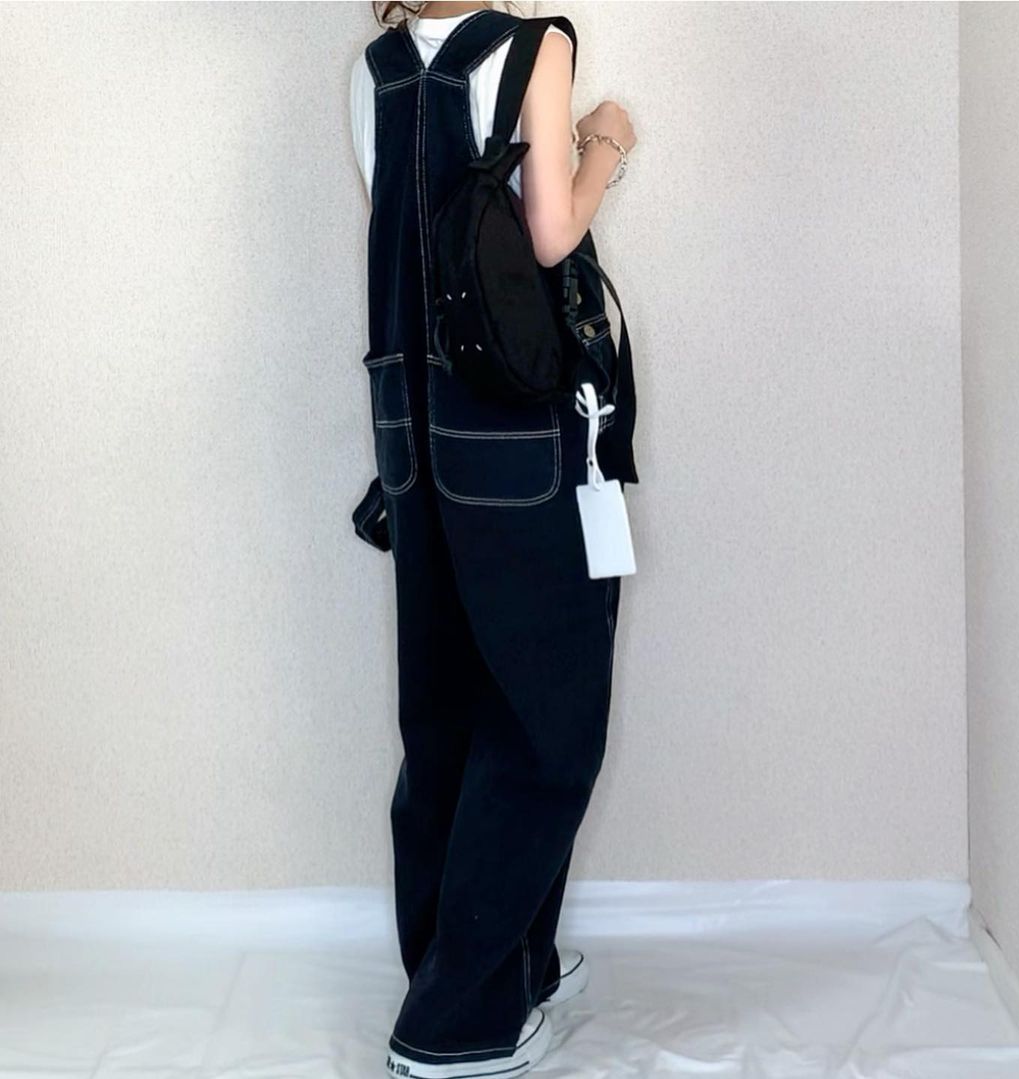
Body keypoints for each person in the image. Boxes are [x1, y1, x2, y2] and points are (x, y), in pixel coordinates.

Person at [349, 2, 638, 1075]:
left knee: (448, 709)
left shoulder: (373, 72)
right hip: (511, 433)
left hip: (409, 430)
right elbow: (549, 234)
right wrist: (605, 145)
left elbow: (413, 237)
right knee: (544, 713)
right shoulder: (533, 46)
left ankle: (492, 966)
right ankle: (456, 1022)